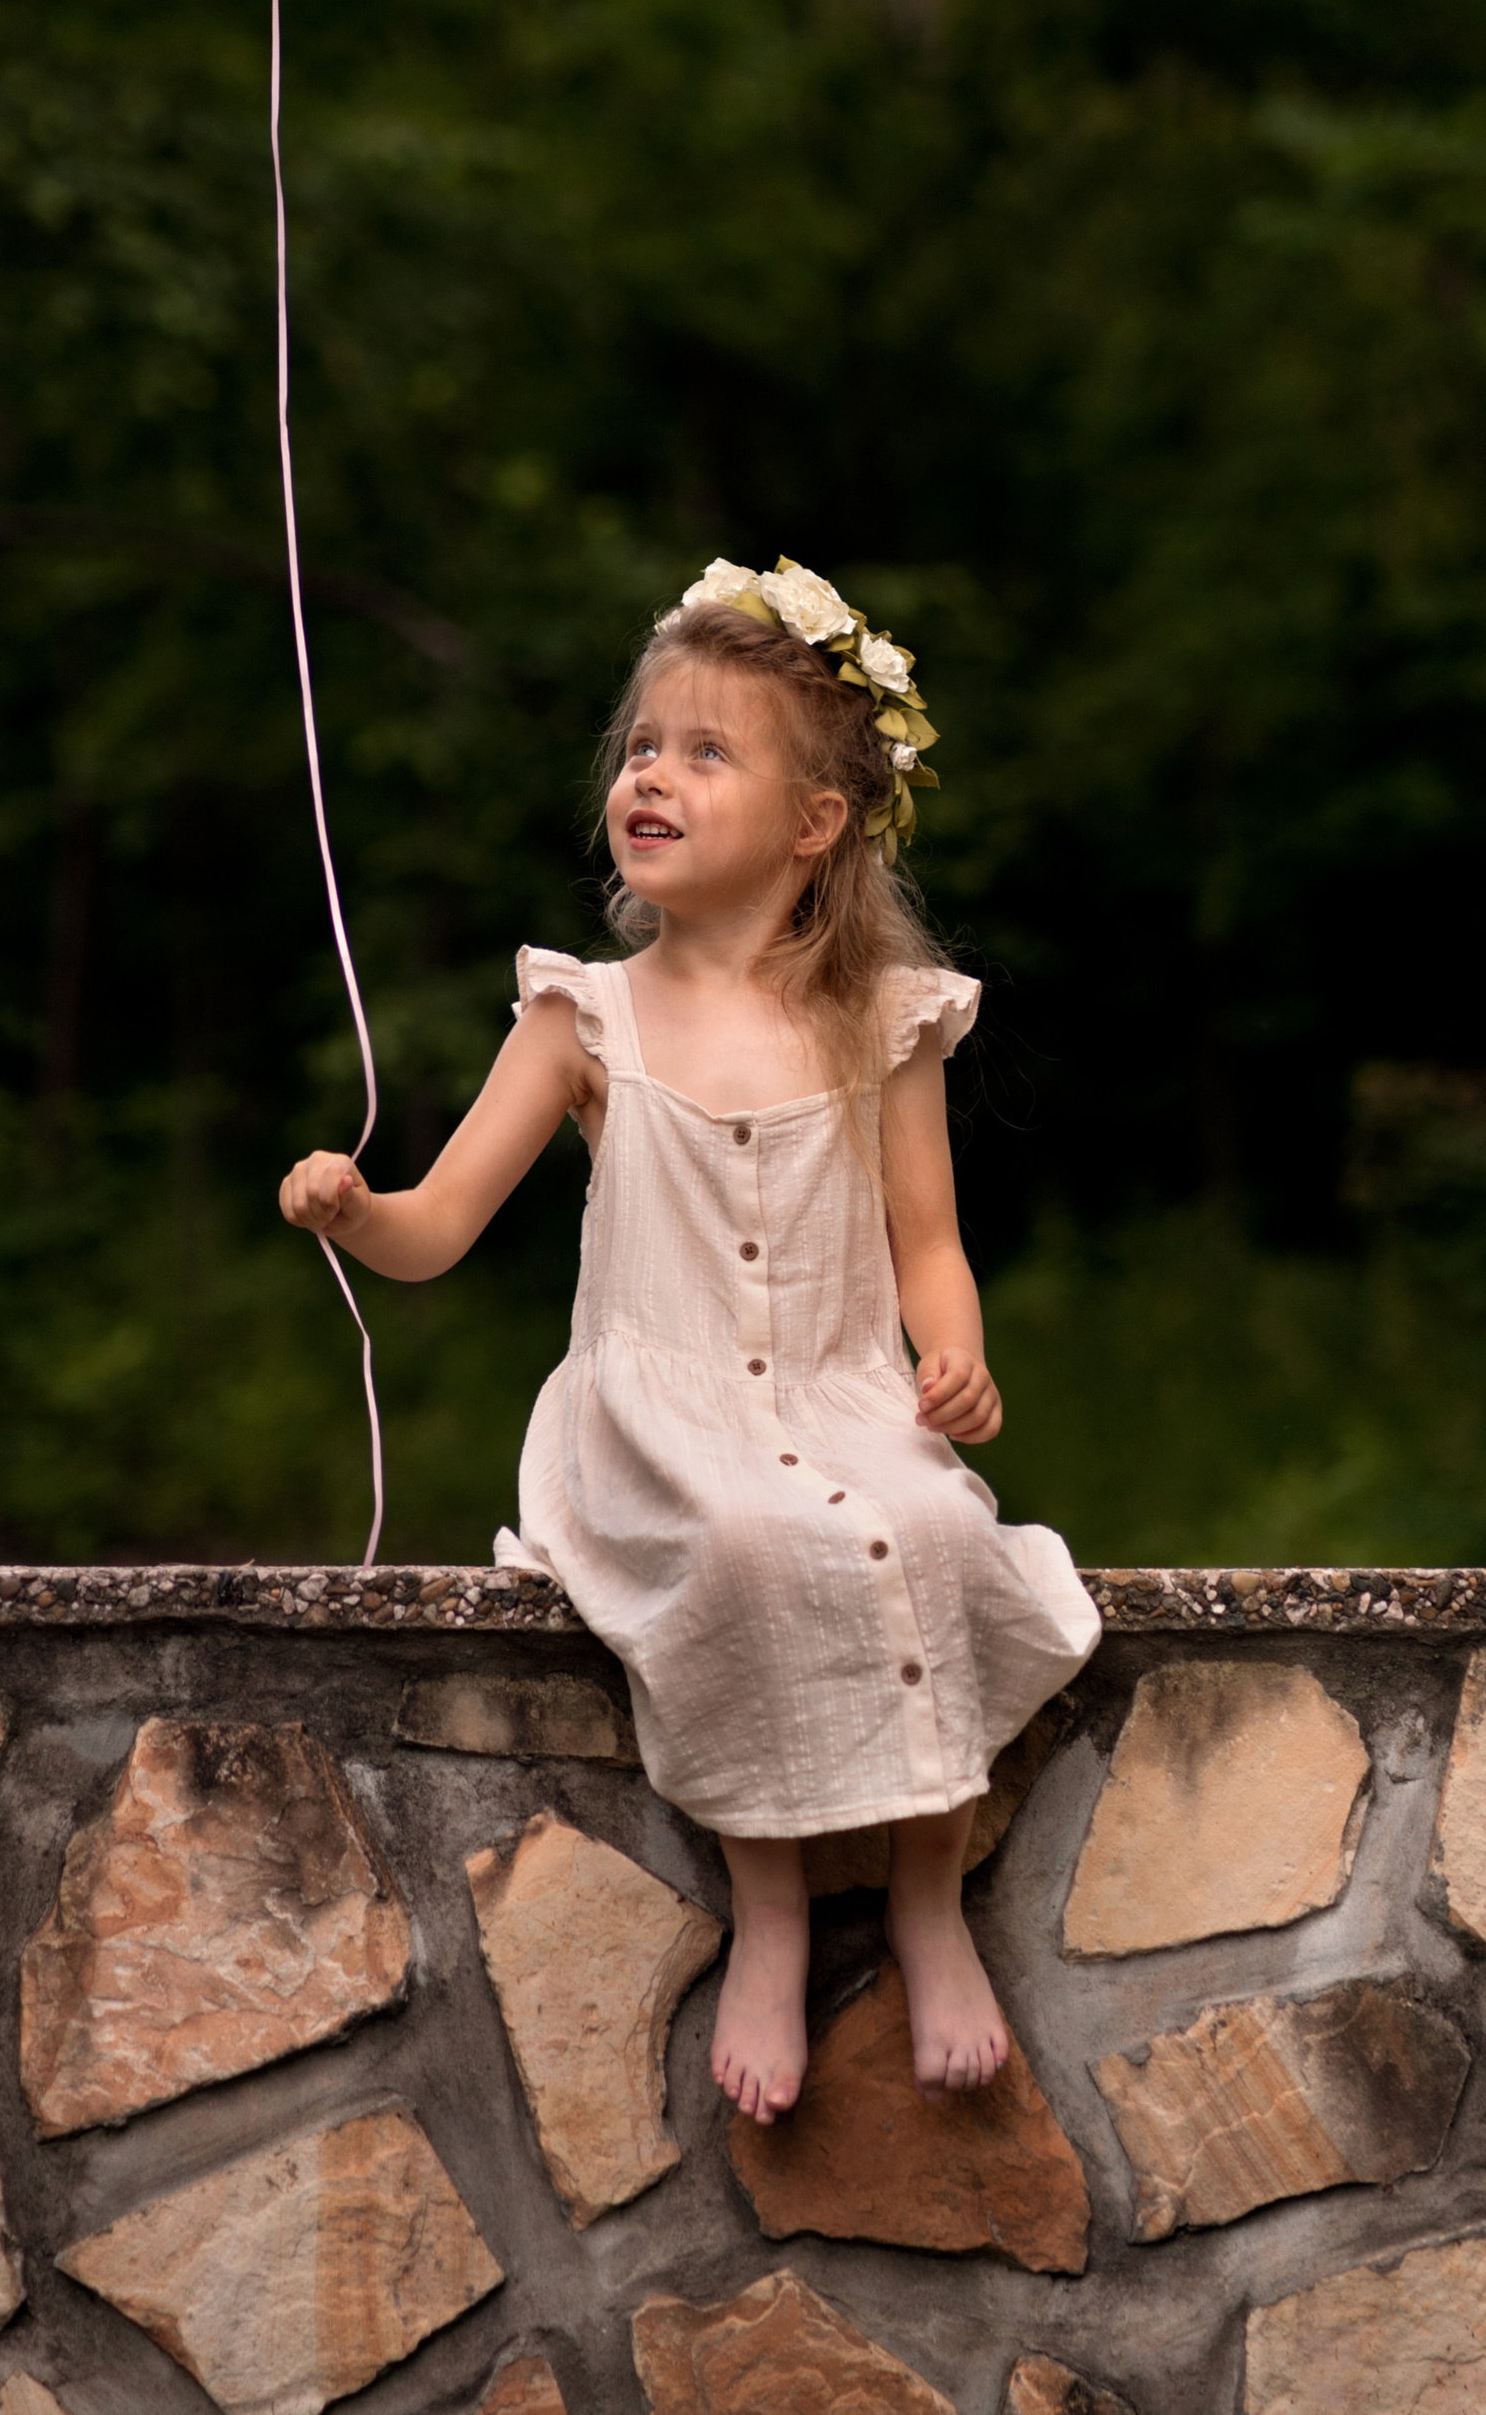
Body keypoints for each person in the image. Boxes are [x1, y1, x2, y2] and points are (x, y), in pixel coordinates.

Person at [279, 557, 1099, 2124]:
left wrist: (955, 1357)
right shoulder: (585, 1016)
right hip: (664, 1417)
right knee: (740, 1545)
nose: (652, 773)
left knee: (924, 1527)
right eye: (643, 746)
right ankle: (772, 1907)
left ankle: (931, 1899)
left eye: (706, 752)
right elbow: (441, 1226)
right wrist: (351, 1207)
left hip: (846, 1394)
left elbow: (927, 1238)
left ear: (815, 823)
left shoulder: (884, 1016)